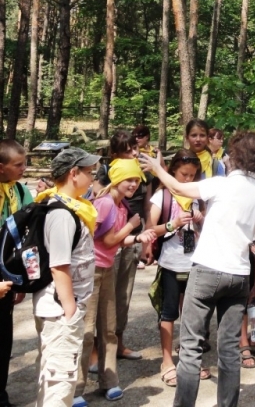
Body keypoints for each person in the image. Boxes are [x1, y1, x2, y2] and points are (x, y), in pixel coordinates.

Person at [140, 130, 255, 407]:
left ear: (235, 157)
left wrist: (156, 168)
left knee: (190, 350)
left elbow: (178, 188)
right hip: (239, 276)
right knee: (229, 351)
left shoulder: (221, 184)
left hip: (206, 271)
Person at [74, 158, 155, 405]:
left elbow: (116, 241)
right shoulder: (106, 203)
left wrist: (137, 237)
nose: (133, 185)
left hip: (107, 268)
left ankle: (109, 381)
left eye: (137, 181)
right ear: (117, 180)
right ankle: (76, 389)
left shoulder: (120, 207)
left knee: (109, 327)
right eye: (129, 180)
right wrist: (131, 226)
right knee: (87, 331)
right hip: (91, 271)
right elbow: (105, 241)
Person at [33, 147, 100, 407]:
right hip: (60, 310)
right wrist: (70, 310)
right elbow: (59, 266)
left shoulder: (73, 208)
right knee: (59, 383)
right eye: (89, 172)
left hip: (62, 308)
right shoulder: (62, 214)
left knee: (54, 378)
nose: (92, 178)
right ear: (74, 174)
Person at [146, 150, 207, 386]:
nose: (188, 180)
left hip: (194, 263)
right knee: (169, 313)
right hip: (171, 263)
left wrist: (200, 221)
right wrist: (172, 223)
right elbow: (150, 229)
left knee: (192, 314)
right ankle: (166, 361)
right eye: (183, 174)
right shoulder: (162, 197)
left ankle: (191, 360)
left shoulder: (198, 197)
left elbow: (205, 232)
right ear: (172, 171)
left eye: (192, 175)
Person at [95, 130, 150, 358]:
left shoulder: (141, 175)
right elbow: (99, 200)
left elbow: (147, 204)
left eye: (135, 149)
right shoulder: (108, 175)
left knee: (123, 295)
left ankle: (118, 343)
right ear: (115, 154)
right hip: (112, 243)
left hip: (132, 239)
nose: (133, 154)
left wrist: (144, 237)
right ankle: (97, 350)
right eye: (127, 151)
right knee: (104, 299)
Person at [0, 140, 32, 407]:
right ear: (1, 168)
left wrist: (20, 280)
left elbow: (28, 234)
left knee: (3, 339)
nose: (24, 169)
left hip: (8, 270)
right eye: (18, 165)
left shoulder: (20, 192)